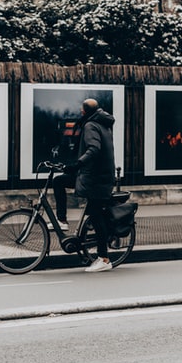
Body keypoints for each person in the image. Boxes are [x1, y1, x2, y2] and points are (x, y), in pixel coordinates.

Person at [72, 98, 116, 272]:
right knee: (59, 180)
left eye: (81, 110)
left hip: (96, 179)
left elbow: (94, 149)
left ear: (85, 111)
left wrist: (77, 164)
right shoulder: (103, 123)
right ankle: (61, 220)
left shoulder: (91, 125)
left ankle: (104, 259)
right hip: (98, 176)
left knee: (96, 217)